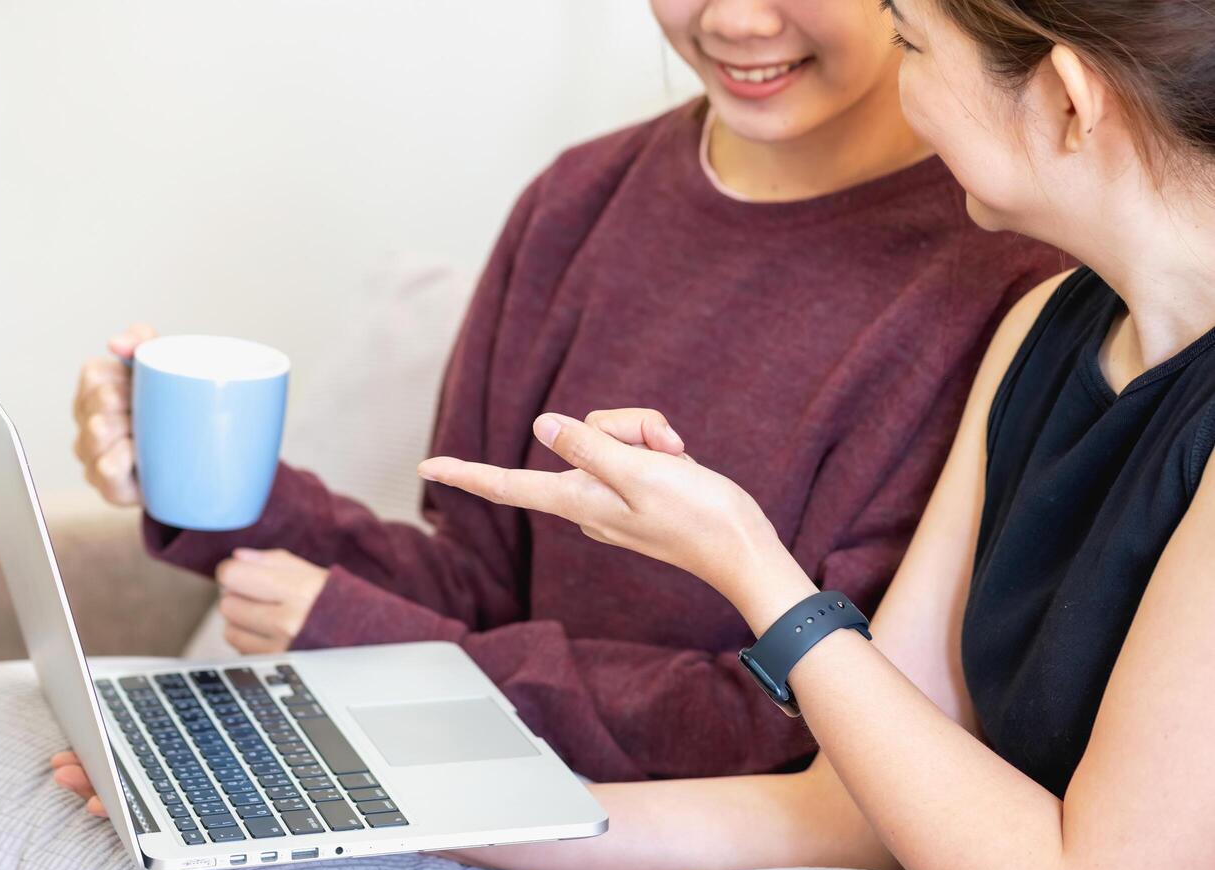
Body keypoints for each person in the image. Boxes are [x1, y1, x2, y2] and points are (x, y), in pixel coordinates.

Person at [57, 0, 1063, 810]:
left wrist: (375, 646)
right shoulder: (577, 201)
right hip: (506, 775)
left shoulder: (1013, 269)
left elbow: (817, 716)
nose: (736, 23)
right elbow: (479, 579)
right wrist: (211, 480)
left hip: (697, 844)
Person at [416, 0, 1215, 870]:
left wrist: (756, 570)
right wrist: (435, 816)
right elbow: (847, 810)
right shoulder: (1046, 328)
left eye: (913, 44)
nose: (904, 95)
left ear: (1065, 100)